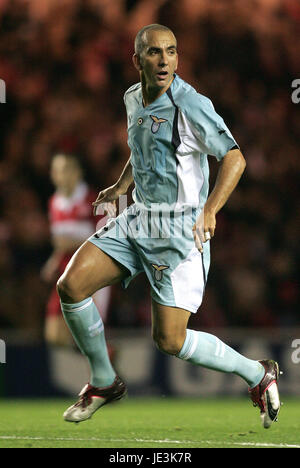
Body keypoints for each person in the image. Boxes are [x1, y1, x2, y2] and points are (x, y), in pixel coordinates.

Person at [57, 24, 281, 428]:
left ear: (178, 58)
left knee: (170, 341)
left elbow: (234, 158)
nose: (164, 60)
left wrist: (211, 209)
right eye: (155, 52)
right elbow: (141, 143)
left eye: (171, 52)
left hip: (180, 231)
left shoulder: (191, 104)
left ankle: (256, 373)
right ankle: (104, 381)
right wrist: (122, 184)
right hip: (139, 217)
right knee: (70, 286)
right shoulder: (131, 97)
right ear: (137, 60)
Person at [41, 153, 113, 347]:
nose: (59, 175)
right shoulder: (54, 203)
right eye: (55, 170)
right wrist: (53, 261)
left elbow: (107, 237)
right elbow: (60, 243)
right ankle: (106, 357)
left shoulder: (94, 199)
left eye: (64, 169)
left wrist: (71, 242)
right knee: (54, 335)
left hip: (92, 272)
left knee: (89, 336)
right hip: (65, 274)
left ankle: (106, 365)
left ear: (77, 173)